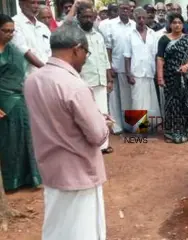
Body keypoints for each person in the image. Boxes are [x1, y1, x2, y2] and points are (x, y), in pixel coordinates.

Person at [24, 23, 112, 240]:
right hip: (79, 172)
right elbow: (96, 135)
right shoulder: (74, 85)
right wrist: (103, 123)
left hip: (51, 169)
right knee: (83, 231)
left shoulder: (32, 80)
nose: (85, 58)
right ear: (76, 49)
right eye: (86, 53)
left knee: (56, 228)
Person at [0, 14, 42, 192]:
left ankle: (27, 178)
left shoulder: (14, 51)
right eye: (5, 31)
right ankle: (9, 182)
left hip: (17, 100)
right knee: (7, 142)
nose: (9, 34)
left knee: (23, 138)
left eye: (12, 31)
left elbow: (19, 77)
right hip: (3, 102)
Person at [73, 2, 114, 154]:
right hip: (83, 80)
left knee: (103, 113)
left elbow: (104, 58)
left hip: (100, 80)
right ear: (78, 17)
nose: (88, 20)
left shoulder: (98, 35)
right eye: (85, 17)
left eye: (91, 17)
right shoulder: (75, 36)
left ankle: (103, 144)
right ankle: (88, 145)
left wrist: (109, 78)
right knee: (86, 115)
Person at [156, 13, 188, 144]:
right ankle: (172, 133)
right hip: (171, 77)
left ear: (183, 24)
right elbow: (160, 58)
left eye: (180, 23)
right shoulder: (164, 39)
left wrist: (187, 66)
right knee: (172, 105)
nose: (177, 25)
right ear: (170, 25)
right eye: (174, 22)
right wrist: (160, 77)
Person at [124, 7, 161, 130]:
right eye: (138, 17)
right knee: (137, 101)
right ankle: (138, 130)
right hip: (136, 73)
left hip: (150, 72)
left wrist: (157, 73)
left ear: (146, 18)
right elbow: (127, 56)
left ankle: (148, 127)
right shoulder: (129, 35)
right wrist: (129, 74)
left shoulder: (152, 34)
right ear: (134, 18)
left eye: (143, 17)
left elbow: (156, 55)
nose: (141, 20)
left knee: (150, 102)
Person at [106, 0, 136, 134]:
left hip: (129, 68)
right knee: (114, 99)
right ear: (118, 10)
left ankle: (129, 125)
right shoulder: (110, 25)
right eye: (122, 9)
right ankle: (116, 126)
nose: (125, 11)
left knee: (129, 98)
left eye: (127, 9)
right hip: (115, 66)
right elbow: (108, 47)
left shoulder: (134, 25)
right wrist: (109, 66)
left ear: (130, 11)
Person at [12, 0, 51, 75]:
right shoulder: (15, 23)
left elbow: (50, 51)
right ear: (21, 4)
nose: (36, 6)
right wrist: (45, 69)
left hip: (48, 75)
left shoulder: (43, 27)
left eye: (38, 3)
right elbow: (24, 51)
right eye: (32, 3)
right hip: (28, 77)